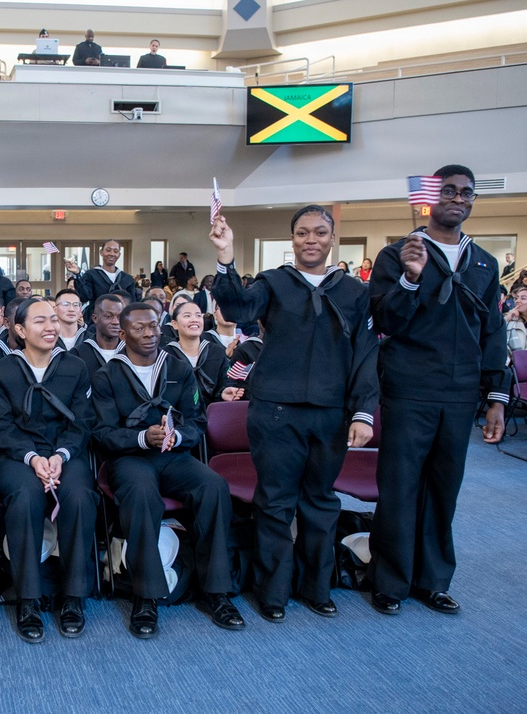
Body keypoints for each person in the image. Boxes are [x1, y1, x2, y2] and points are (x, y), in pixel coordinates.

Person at [211, 207, 379, 622]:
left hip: (330, 414)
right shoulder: (273, 282)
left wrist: (362, 413)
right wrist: (226, 257)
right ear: (293, 240)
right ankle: (273, 592)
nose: (311, 239)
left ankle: (317, 587)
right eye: (302, 232)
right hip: (275, 412)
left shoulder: (355, 292)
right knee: (274, 503)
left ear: (332, 239)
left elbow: (365, 356)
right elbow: (237, 309)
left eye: (320, 232)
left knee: (321, 503)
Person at [367, 165, 509, 617]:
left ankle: (433, 581)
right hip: (409, 388)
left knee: (445, 489)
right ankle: (390, 581)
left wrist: (496, 398)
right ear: (433, 198)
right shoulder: (398, 254)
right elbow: (385, 321)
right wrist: (411, 277)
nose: (458, 198)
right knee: (400, 487)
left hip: (461, 393)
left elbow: (493, 333)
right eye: (448, 190)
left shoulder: (484, 263)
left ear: (472, 202)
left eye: (466, 193)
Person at [91, 302, 243, 637]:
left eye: (154, 326)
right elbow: (101, 433)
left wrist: (178, 435)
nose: (149, 334)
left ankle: (215, 590)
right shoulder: (107, 374)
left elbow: (197, 420)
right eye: (139, 328)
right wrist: (143, 437)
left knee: (213, 486)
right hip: (130, 458)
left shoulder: (177, 367)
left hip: (173, 456)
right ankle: (145, 596)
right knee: (141, 494)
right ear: (123, 331)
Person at [0, 298, 98, 642]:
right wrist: (32, 458)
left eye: (53, 319)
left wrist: (61, 455)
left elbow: (82, 422)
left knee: (79, 496)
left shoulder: (75, 366)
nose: (50, 326)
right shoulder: (4, 369)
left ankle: (73, 596)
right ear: (19, 330)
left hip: (66, 454)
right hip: (16, 457)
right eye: (40, 321)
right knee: (25, 496)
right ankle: (28, 598)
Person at [163, 301, 232, 406]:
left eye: (198, 315)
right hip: (179, 417)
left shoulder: (215, 351)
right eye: (187, 316)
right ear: (174, 324)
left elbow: (225, 381)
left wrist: (223, 393)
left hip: (213, 416)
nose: (194, 320)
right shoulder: (166, 355)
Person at [66, 240, 140, 322]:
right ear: (101, 252)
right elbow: (84, 296)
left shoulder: (127, 279)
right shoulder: (91, 275)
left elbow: (132, 303)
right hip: (96, 321)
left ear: (119, 255)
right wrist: (77, 274)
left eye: (115, 251)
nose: (112, 253)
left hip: (120, 321)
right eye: (108, 250)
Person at [71, 294, 123, 381]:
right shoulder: (78, 354)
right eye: (108, 316)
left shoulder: (131, 352)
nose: (115, 322)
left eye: (119, 317)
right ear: (95, 318)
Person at [505, 285, 527, 351]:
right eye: (516, 298)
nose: (517, 301)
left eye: (523, 298)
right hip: (512, 359)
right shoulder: (509, 319)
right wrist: (506, 318)